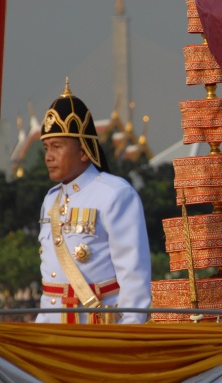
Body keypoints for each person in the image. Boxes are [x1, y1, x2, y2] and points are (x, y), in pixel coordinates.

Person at [36, 79, 152, 324]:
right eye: (46, 148)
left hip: (96, 329)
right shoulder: (50, 200)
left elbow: (134, 279)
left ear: (84, 150)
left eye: (57, 146)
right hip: (50, 330)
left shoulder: (115, 194)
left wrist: (127, 335)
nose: (49, 157)